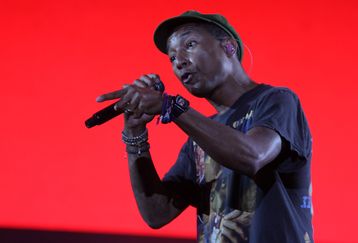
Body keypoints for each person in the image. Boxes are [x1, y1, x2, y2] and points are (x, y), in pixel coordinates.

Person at [96, 10, 314, 243]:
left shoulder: (275, 100)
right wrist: (135, 133)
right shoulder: (199, 138)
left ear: (229, 47)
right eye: (171, 58)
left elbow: (253, 156)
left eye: (190, 44)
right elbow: (157, 213)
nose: (179, 61)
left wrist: (173, 107)